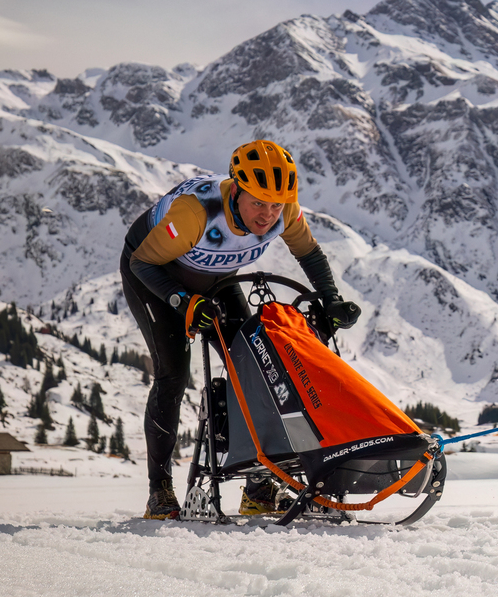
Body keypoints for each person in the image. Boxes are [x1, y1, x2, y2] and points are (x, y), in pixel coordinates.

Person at [119, 139, 361, 519]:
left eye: (275, 205)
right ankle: (159, 491)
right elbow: (142, 263)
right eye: (258, 203)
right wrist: (183, 301)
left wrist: (330, 298)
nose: (267, 215)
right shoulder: (194, 214)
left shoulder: (285, 211)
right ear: (236, 191)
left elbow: (309, 253)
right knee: (173, 376)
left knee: (258, 366)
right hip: (157, 276)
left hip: (216, 277)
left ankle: (259, 489)